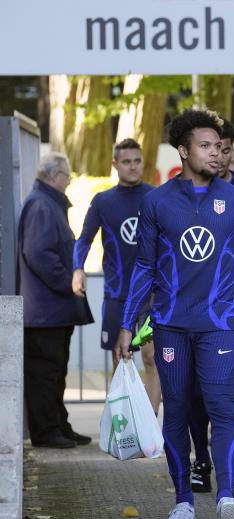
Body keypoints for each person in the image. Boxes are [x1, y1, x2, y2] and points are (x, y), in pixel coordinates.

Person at [115, 109, 234, 519]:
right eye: (205, 146)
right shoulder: (157, 202)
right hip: (171, 326)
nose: (216, 153)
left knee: (224, 410)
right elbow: (143, 268)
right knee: (177, 411)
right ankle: (183, 499)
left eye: (219, 147)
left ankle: (225, 497)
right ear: (183, 150)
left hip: (221, 324)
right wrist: (128, 324)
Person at [187, 119, 234, 500]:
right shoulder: (185, 195)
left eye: (226, 147)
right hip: (192, 315)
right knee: (193, 395)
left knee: (232, 397)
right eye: (213, 146)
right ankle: (201, 459)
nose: (220, 154)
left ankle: (229, 474)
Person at [72, 138, 161, 413]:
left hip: (152, 293)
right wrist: (78, 268)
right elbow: (84, 239)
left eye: (137, 161)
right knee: (121, 356)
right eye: (126, 162)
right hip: (117, 292)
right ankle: (124, 424)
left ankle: (150, 426)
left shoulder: (156, 196)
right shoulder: (103, 201)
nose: (133, 167)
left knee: (151, 357)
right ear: (115, 164)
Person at [18, 152, 94, 449]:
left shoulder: (48, 204)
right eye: (67, 175)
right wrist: (68, 280)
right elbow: (38, 252)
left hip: (52, 309)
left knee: (55, 370)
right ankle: (46, 430)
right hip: (44, 310)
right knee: (45, 372)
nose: (70, 180)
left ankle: (58, 424)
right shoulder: (41, 206)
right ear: (52, 176)